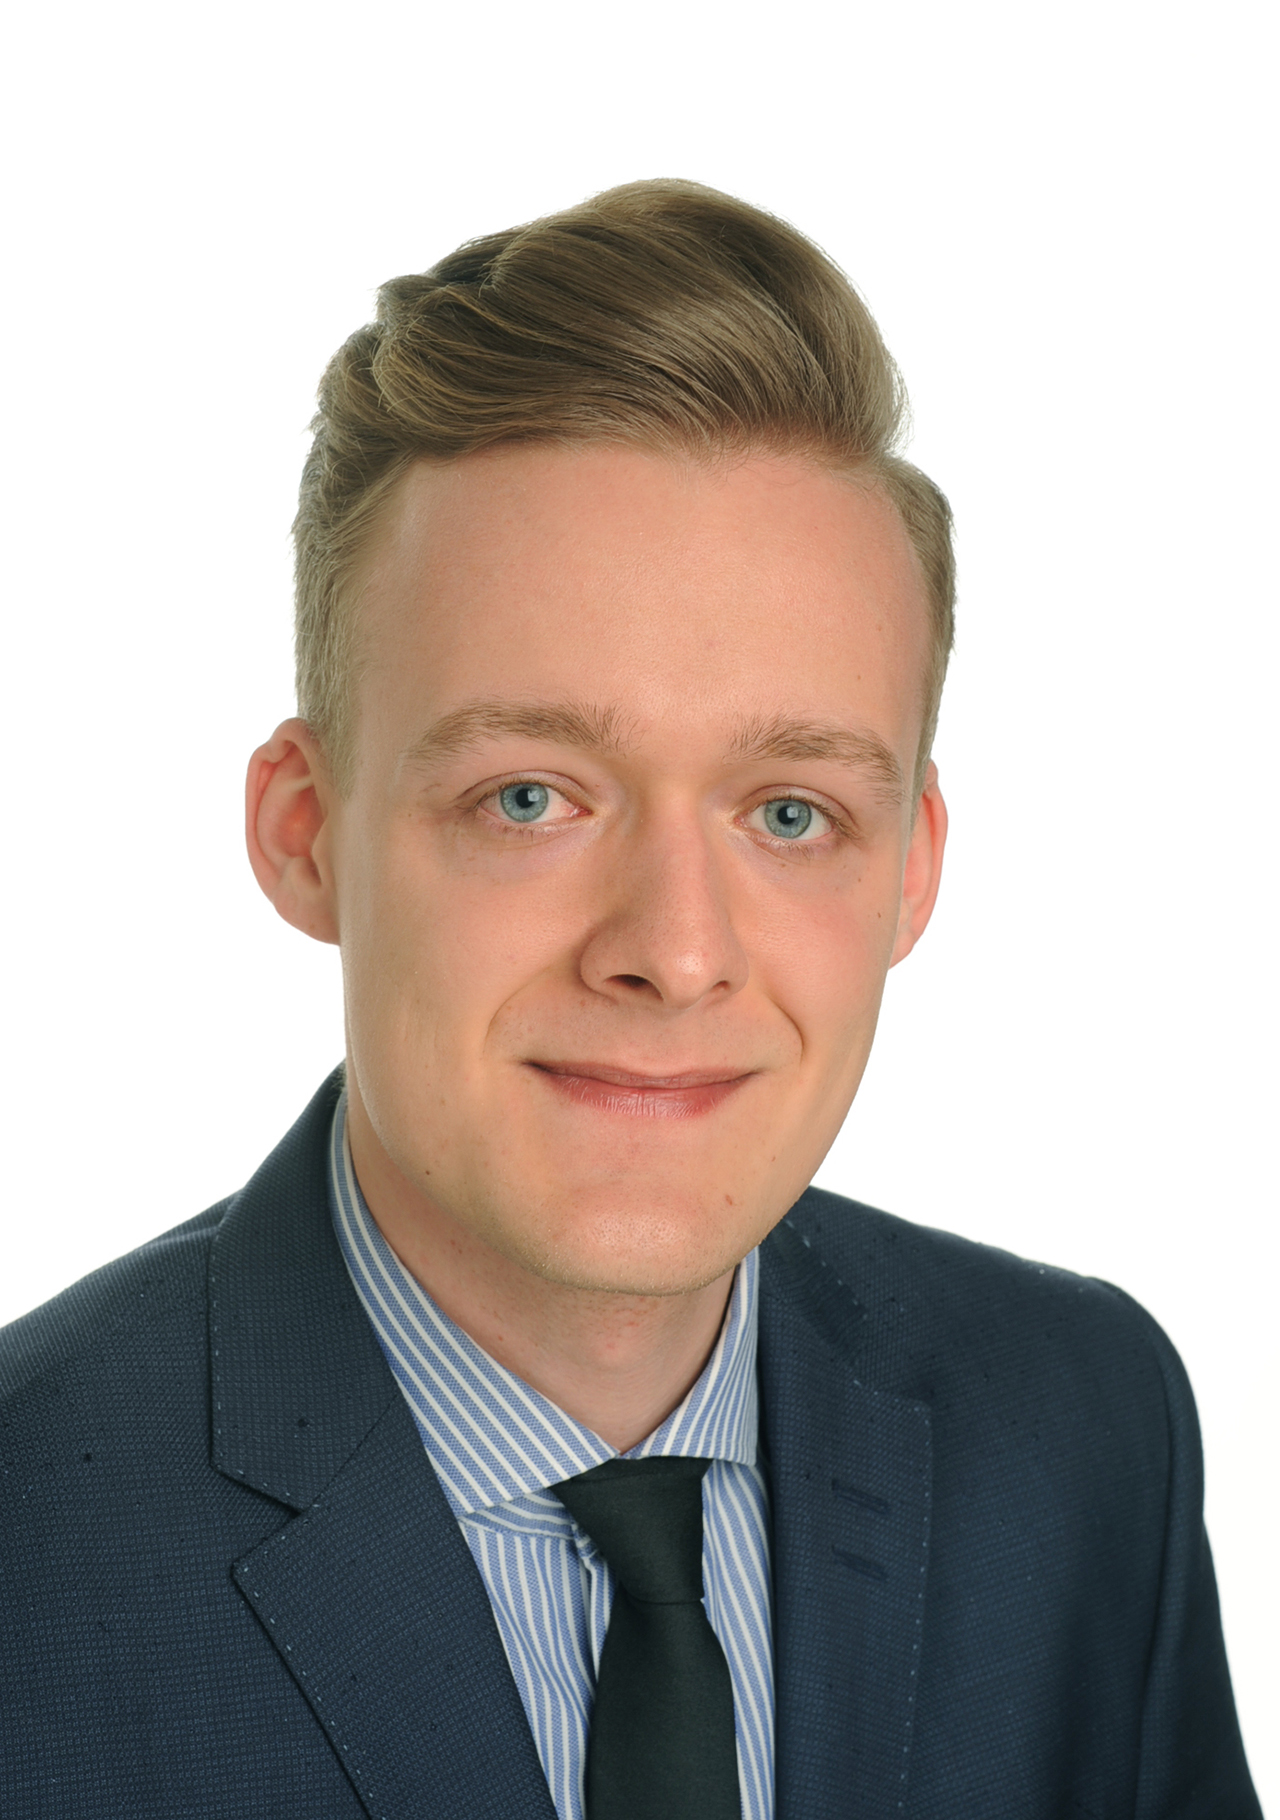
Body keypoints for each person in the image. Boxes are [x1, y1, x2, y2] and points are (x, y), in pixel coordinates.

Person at [0, 180, 1259, 1820]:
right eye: (530, 797)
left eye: (790, 812)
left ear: (911, 871)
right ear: (306, 837)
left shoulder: (1085, 1432)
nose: (673, 949)